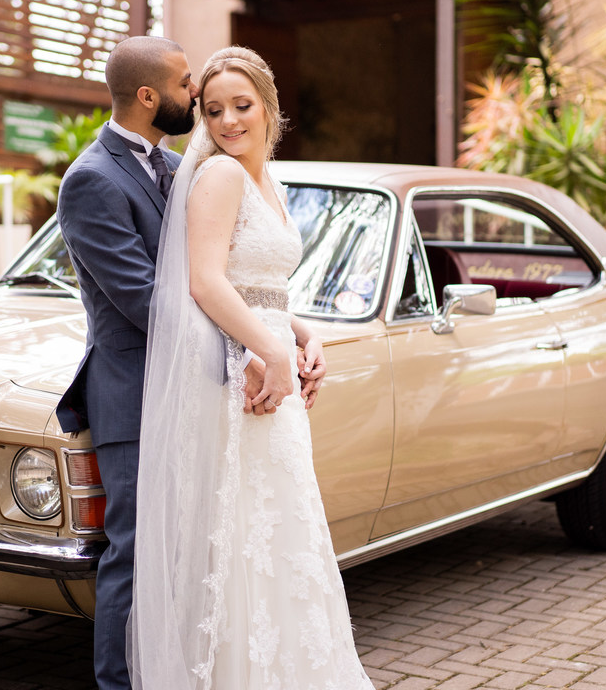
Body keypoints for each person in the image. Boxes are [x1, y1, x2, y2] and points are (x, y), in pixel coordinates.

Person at [128, 46, 374, 689]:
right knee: (238, 541)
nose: (229, 122)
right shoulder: (219, 178)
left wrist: (301, 335)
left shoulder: (269, 180)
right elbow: (205, 284)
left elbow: (261, 287)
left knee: (280, 538)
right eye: (213, 111)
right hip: (236, 378)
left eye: (242, 106)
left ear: (269, 108)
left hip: (269, 366)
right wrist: (270, 355)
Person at [55, 36, 267, 690]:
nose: (196, 96)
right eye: (184, 85)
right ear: (148, 97)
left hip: (193, 389)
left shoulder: (177, 166)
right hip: (133, 398)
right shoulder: (91, 179)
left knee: (189, 547)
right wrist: (247, 347)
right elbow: (148, 301)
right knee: (135, 551)